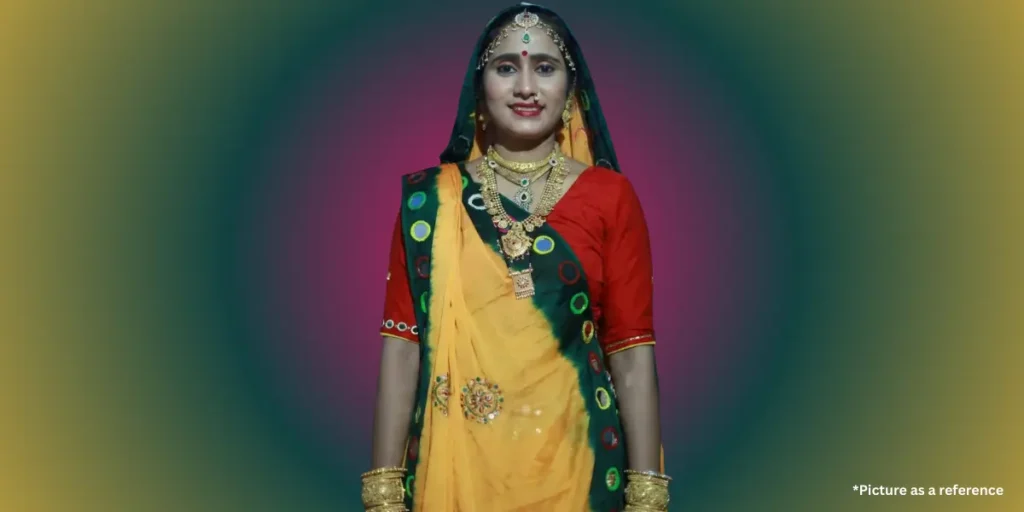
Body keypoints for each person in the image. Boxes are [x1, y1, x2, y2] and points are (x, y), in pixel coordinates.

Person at [363, 3, 669, 511]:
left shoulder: (611, 197)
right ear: (479, 87)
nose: (525, 86)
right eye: (506, 67)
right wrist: (383, 492)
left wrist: (648, 492)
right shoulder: (431, 203)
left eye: (544, 68)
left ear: (571, 91)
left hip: (577, 469)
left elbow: (632, 353)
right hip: (456, 475)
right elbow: (401, 349)